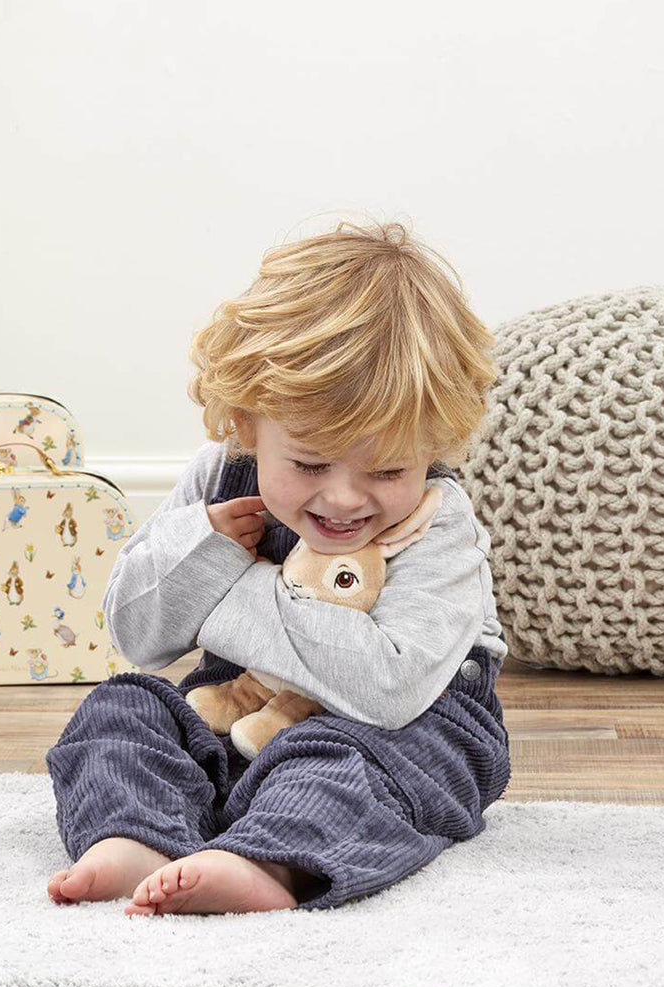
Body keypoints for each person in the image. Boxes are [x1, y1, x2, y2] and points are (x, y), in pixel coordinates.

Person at [45, 219, 511, 915]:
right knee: (122, 710)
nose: (346, 497)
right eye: (310, 463)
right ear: (245, 423)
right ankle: (136, 836)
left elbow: (387, 689)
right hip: (241, 716)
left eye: (387, 469)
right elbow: (140, 637)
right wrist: (194, 548)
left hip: (400, 732)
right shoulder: (218, 481)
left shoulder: (440, 525)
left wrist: (228, 586)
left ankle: (274, 862)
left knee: (341, 765)